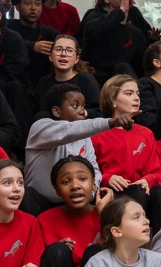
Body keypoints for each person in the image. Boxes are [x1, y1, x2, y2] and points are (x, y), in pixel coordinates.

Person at [23, 84, 123, 215]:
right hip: (40, 203)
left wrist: (91, 194)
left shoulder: (85, 138)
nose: (82, 111)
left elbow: (94, 169)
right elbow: (68, 130)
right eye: (75, 106)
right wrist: (109, 122)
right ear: (56, 111)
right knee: (27, 194)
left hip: (72, 202)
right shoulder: (40, 128)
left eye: (83, 106)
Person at [91, 75, 161, 211]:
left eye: (137, 94)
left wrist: (147, 180)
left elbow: (156, 172)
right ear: (112, 100)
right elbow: (88, 172)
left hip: (141, 190)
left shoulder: (146, 133)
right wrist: (107, 178)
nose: (136, 98)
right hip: (112, 192)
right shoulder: (97, 134)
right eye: (129, 93)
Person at [81, 0, 157, 82]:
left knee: (123, 67)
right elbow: (92, 32)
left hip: (124, 79)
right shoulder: (95, 17)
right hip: (94, 76)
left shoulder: (136, 33)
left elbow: (141, 65)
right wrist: (121, 11)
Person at [35, 35, 102, 119]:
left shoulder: (87, 81)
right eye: (58, 49)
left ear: (76, 59)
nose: (63, 54)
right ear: (50, 57)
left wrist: (78, 112)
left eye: (69, 50)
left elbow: (99, 113)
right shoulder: (43, 82)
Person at [10, 0, 60, 87]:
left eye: (38, 4)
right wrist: (33, 46)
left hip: (42, 85)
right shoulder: (8, 26)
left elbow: (65, 41)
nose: (33, 8)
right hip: (14, 83)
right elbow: (7, 40)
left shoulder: (47, 32)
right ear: (18, 6)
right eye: (27, 3)